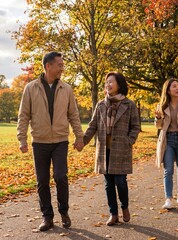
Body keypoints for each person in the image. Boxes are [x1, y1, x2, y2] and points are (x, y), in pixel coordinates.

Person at [17, 51, 84, 231]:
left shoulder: (67, 89)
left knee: (61, 176)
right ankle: (47, 217)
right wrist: (22, 138)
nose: (62, 68)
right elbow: (23, 115)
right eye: (59, 65)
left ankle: (64, 212)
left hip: (61, 141)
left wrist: (79, 137)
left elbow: (74, 115)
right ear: (48, 66)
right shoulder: (31, 88)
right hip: (39, 142)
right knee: (42, 181)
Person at [83, 72, 140, 226]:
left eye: (111, 82)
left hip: (121, 149)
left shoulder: (129, 105)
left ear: (119, 85)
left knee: (120, 182)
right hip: (104, 150)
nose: (108, 85)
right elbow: (92, 125)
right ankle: (113, 214)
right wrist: (83, 141)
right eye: (106, 82)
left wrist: (129, 141)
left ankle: (125, 207)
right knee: (108, 184)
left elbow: (135, 126)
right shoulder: (101, 105)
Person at [155, 78, 178, 209]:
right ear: (168, 90)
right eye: (174, 86)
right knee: (168, 170)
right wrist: (158, 118)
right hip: (168, 140)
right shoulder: (161, 106)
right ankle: (168, 199)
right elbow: (159, 126)